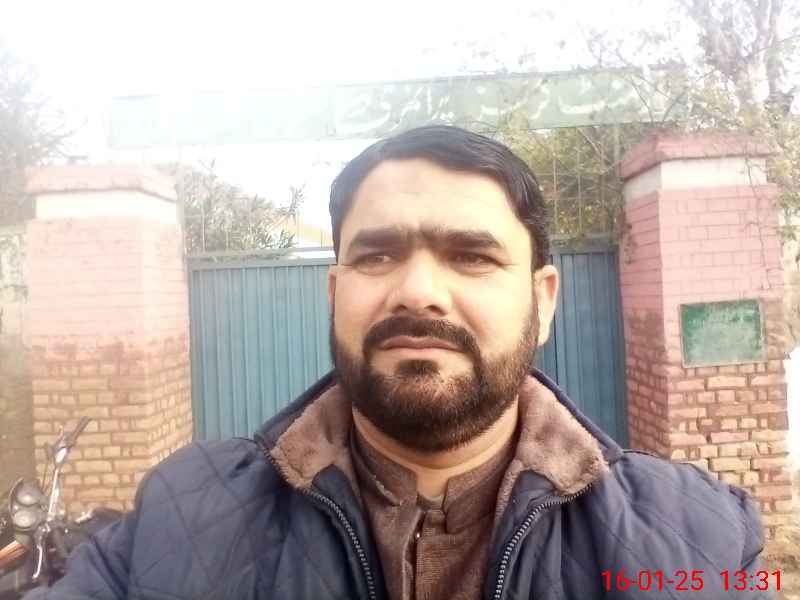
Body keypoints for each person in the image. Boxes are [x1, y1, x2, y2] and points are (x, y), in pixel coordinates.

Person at [29, 125, 769, 600]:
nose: (418, 291)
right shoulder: (179, 522)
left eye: (471, 256)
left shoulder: (698, 544)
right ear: (336, 293)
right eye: (378, 255)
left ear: (543, 301)